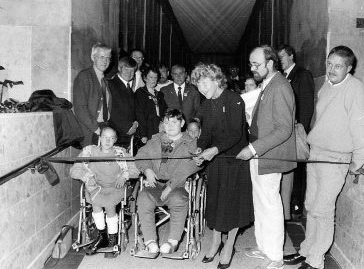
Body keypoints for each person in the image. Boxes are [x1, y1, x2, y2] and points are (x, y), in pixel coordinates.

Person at [284, 46, 364, 269]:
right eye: (329, 64)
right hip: (317, 154)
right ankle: (306, 251)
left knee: (322, 209)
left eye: (338, 66)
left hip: (336, 159)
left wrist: (357, 161)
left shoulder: (356, 90)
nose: (332, 69)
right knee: (311, 205)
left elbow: (360, 127)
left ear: (349, 68)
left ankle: (316, 260)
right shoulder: (327, 86)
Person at [236, 45, 296, 269]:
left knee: (270, 204)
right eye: (251, 64)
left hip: (268, 155)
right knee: (261, 202)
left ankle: (275, 256)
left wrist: (252, 150)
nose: (252, 68)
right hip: (260, 153)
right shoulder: (267, 84)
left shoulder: (279, 86)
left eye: (256, 64)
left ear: (270, 63)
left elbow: (284, 129)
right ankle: (264, 247)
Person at [192, 63, 253, 269]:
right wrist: (200, 149)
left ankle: (229, 245)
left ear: (217, 80)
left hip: (235, 159)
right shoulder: (207, 104)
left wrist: (214, 150)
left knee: (232, 203)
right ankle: (216, 241)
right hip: (215, 160)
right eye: (198, 85)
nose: (202, 88)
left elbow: (236, 134)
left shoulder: (234, 99)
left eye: (205, 82)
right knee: (217, 201)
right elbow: (206, 132)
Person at [134, 109, 200, 258]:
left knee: (178, 199)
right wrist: (147, 170)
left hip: (178, 185)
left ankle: (172, 242)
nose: (170, 126)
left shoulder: (191, 143)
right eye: (166, 122)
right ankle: (150, 242)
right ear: (162, 124)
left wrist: (171, 185)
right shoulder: (156, 140)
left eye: (174, 122)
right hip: (156, 183)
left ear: (182, 123)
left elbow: (192, 165)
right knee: (143, 197)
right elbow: (140, 156)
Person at [70, 127, 140, 257]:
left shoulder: (121, 153)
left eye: (111, 138)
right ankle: (102, 236)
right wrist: (85, 177)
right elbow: (74, 170)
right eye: (105, 137)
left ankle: (112, 238)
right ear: (100, 138)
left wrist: (124, 175)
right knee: (95, 202)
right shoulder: (89, 152)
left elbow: (136, 170)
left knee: (108, 205)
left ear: (115, 140)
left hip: (116, 187)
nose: (108, 141)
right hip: (96, 187)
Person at [277, 44, 315, 221]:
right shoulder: (282, 77)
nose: (280, 61)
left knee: (297, 168)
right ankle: (286, 205)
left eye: (282, 57)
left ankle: (296, 205)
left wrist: (302, 130)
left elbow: (306, 106)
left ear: (291, 56)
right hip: (284, 131)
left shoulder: (302, 75)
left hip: (296, 130)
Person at [73, 43, 112, 147]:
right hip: (91, 130)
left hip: (103, 127)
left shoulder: (105, 80)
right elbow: (80, 109)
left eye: (108, 58)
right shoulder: (84, 77)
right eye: (102, 57)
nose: (105, 61)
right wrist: (96, 129)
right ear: (93, 57)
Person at [108, 56, 138, 149]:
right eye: (126, 69)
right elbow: (110, 110)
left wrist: (136, 124)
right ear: (119, 68)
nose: (129, 73)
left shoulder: (130, 89)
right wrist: (127, 127)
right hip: (115, 134)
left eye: (132, 71)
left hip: (128, 135)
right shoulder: (111, 84)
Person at [135, 65, 168, 144]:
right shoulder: (140, 93)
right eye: (151, 77)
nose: (153, 80)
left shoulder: (160, 94)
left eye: (155, 77)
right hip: (147, 129)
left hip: (160, 129)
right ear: (145, 78)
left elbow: (164, 111)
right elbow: (139, 114)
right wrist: (143, 134)